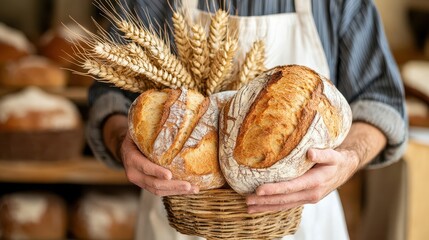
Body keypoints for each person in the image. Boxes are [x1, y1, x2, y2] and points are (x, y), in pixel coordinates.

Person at [86, 0, 408, 239]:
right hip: (177, 223)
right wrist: (121, 141)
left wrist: (348, 159)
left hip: (304, 225)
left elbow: (381, 104)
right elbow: (110, 99)